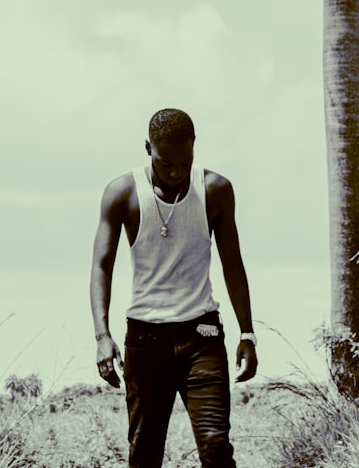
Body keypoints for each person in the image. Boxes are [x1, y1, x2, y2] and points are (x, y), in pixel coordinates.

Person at [90, 108, 257, 468]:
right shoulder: (122, 194)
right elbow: (102, 265)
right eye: (166, 163)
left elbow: (233, 264)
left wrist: (248, 333)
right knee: (145, 452)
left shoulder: (216, 190)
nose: (177, 172)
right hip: (145, 341)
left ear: (194, 147)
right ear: (148, 148)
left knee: (216, 448)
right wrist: (102, 335)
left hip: (203, 334)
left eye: (185, 161)